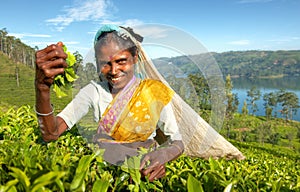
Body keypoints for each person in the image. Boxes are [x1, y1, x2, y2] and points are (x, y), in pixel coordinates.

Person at [35, 24, 245, 182]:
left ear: (135, 58)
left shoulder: (152, 93)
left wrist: (162, 155)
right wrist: (42, 88)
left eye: (121, 61)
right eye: (105, 64)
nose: (114, 71)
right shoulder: (93, 91)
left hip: (144, 168)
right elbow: (51, 133)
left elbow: (177, 141)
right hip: (104, 169)